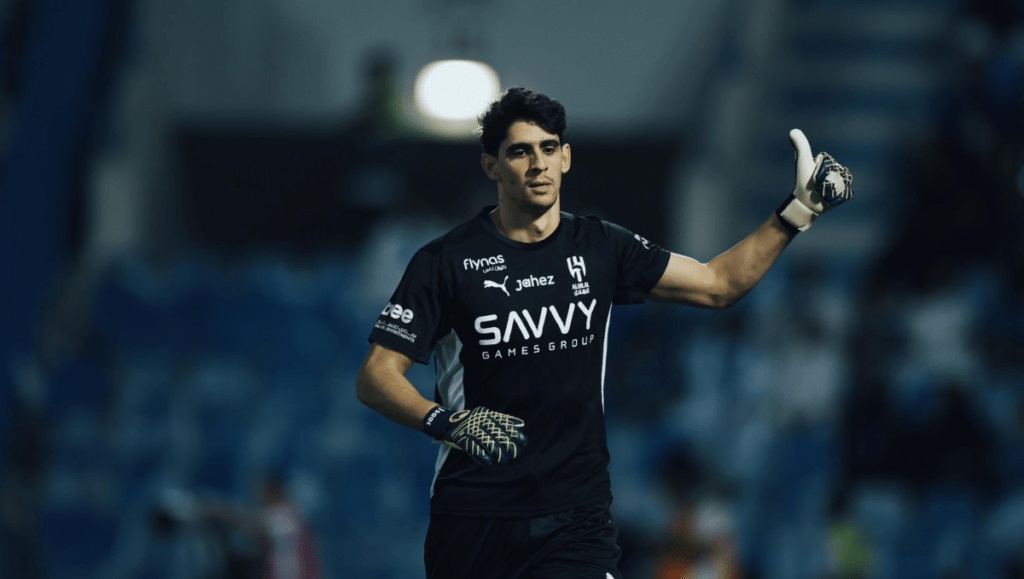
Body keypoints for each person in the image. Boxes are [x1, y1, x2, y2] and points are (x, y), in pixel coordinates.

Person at [355, 87, 853, 578]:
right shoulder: (445, 263)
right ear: (492, 166)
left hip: (575, 521)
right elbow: (376, 376)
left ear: (566, 157)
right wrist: (446, 421)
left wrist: (797, 213)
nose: (538, 164)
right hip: (476, 521)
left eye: (549, 148)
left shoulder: (599, 246)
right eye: (520, 152)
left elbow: (718, 284)